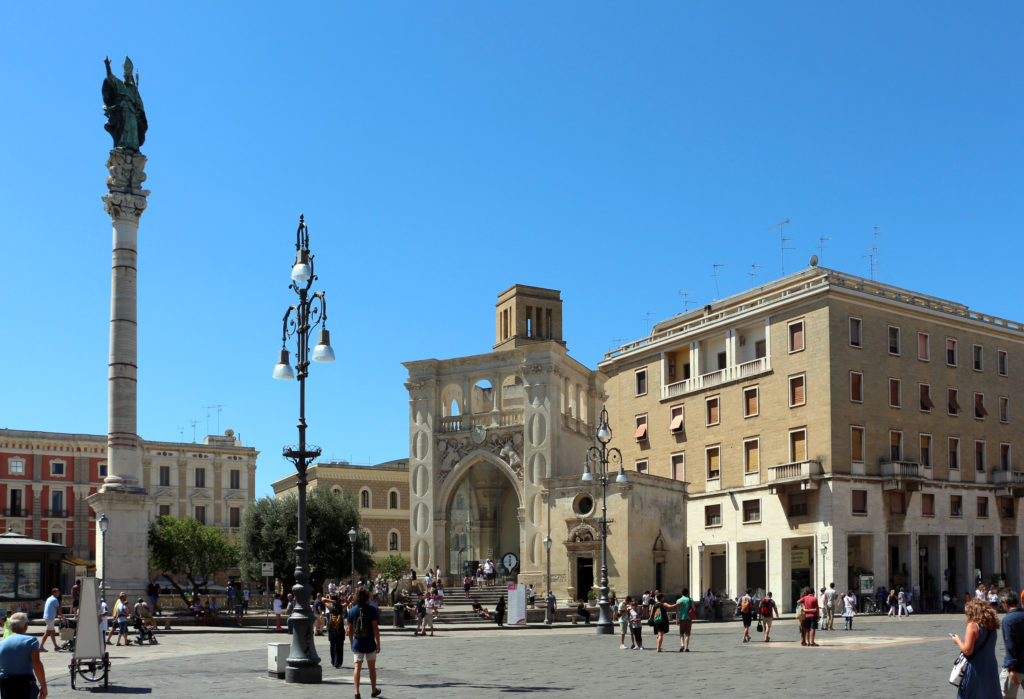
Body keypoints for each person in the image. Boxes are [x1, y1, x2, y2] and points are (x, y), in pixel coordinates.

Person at [952, 598, 1000, 698]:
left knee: (973, 694)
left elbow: (967, 650)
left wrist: (957, 641)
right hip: (990, 666)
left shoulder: (972, 626)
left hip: (976, 667)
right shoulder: (992, 626)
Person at [0, 612, 48, 698]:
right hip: (25, 684)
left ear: (10, 626)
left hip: (6, 685)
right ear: (26, 626)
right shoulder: (31, 641)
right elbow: (37, 664)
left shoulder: (2, 643)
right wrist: (43, 686)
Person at [346, 587, 382, 699]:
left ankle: (357, 692)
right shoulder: (371, 610)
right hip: (370, 642)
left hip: (358, 643)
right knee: (372, 668)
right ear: (367, 596)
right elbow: (375, 628)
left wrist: (352, 643)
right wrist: (378, 642)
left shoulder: (352, 610)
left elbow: (349, 630)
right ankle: (373, 690)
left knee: (357, 667)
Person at [1001, 589, 1024, 699]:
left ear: (1005, 602)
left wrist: (1010, 668)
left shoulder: (1008, 619)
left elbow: (1010, 644)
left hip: (1017, 667)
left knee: (1006, 696)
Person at [325, 595, 345, 669]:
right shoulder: (341, 606)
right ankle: (338, 662)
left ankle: (334, 661)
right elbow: (348, 602)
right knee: (339, 646)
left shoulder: (331, 608)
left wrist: (330, 601)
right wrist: (343, 599)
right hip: (339, 628)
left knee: (333, 645)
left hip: (333, 628)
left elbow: (323, 600)